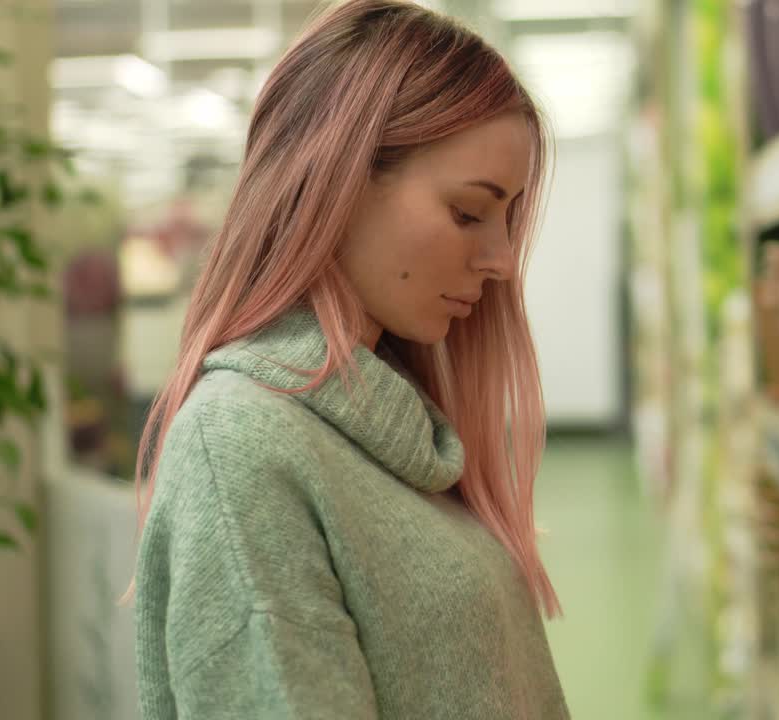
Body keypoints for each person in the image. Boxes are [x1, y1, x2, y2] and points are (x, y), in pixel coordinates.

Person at [131, 2, 569, 717]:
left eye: (509, 218)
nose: (499, 261)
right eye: (468, 212)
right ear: (335, 181)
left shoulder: (392, 420)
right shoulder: (239, 451)